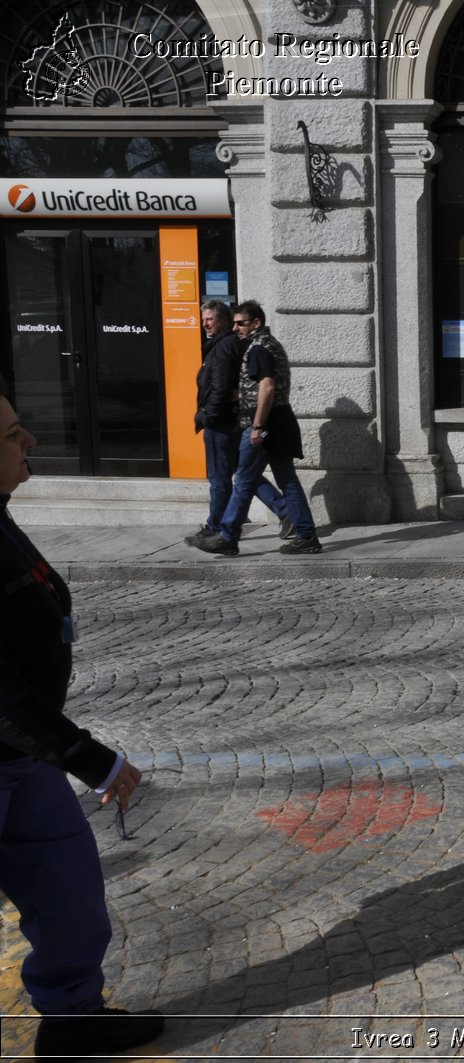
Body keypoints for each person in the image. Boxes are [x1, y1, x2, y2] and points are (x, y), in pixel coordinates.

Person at [0, 381, 165, 1059]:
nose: (30, 439)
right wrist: (91, 757)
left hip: (21, 759)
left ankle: (73, 1017)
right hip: (20, 742)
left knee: (68, 885)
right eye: (12, 434)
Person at [192, 300, 321, 556]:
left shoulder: (260, 347)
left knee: (243, 480)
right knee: (287, 480)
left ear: (256, 323)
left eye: (241, 323)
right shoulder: (267, 345)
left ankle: (227, 536)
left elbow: (267, 387)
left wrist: (257, 426)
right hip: (280, 420)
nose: (236, 328)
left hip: (265, 423)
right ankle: (306, 535)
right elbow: (256, 388)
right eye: (235, 323)